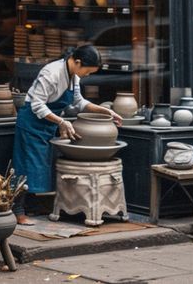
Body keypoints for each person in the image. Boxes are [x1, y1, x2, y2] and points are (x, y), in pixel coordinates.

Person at [12, 45, 122, 224]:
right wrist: (62, 121)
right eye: (87, 71)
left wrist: (105, 112)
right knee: (27, 165)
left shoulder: (73, 77)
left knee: (42, 165)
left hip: (48, 124)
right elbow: (37, 105)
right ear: (77, 62)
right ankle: (17, 210)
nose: (87, 75)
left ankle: (33, 206)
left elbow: (79, 102)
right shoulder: (52, 73)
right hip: (31, 123)